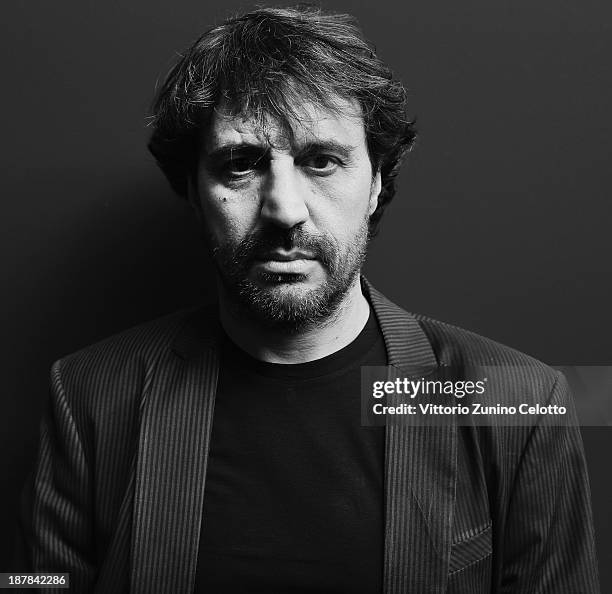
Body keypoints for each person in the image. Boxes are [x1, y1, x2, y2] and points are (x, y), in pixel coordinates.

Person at [18, 6, 599, 593]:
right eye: (241, 166)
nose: (285, 210)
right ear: (193, 191)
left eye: (321, 161)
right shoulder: (90, 392)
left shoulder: (517, 403)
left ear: (375, 182)